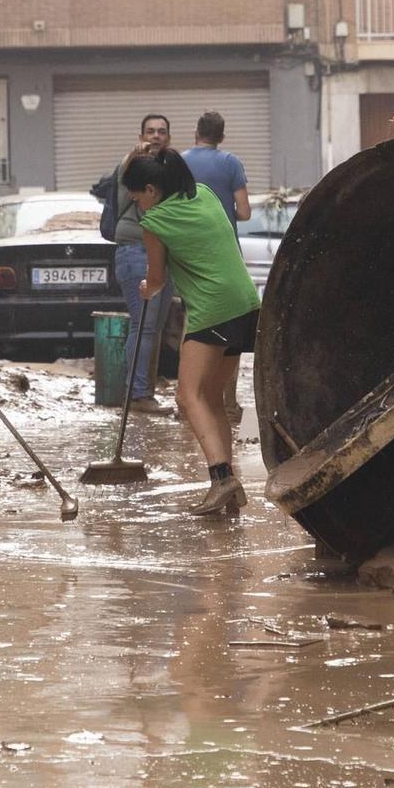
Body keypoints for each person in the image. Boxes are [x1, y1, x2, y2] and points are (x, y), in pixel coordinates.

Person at [120, 148, 261, 516]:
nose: (136, 204)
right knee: (212, 398)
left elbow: (157, 279)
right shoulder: (206, 194)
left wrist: (146, 288)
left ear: (151, 190)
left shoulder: (157, 222)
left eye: (136, 196)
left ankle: (221, 478)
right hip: (246, 304)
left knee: (187, 397)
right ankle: (229, 485)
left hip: (212, 310)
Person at [92, 113, 172, 414]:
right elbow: (132, 203)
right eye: (150, 131)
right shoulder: (131, 167)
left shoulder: (167, 165)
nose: (155, 136)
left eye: (161, 132)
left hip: (161, 252)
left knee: (154, 327)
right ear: (140, 135)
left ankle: (142, 390)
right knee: (144, 325)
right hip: (136, 251)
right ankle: (137, 394)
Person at [180, 110, 252, 231]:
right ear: (222, 138)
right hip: (224, 243)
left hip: (189, 241)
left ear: (196, 133)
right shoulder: (231, 162)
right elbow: (244, 213)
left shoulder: (180, 161)